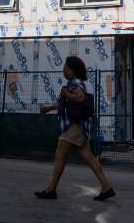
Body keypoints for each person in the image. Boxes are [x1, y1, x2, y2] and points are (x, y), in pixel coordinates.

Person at [35, 55, 115, 201]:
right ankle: (106, 187)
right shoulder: (74, 82)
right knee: (90, 158)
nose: (63, 70)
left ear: (72, 70)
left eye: (66, 67)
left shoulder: (75, 83)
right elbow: (66, 104)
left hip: (74, 127)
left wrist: (65, 93)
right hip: (80, 128)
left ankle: (51, 189)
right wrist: (48, 108)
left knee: (60, 153)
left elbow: (79, 98)